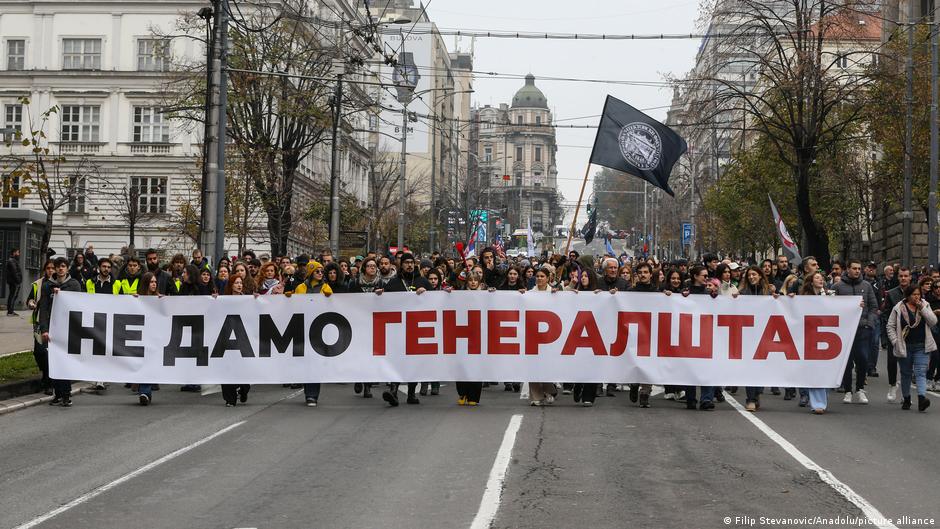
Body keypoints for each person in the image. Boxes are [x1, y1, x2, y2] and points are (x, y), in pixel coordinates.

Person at [377, 252, 431, 406]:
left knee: (414, 361)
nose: (409, 265)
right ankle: (393, 391)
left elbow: (436, 299)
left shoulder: (423, 282)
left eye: (411, 262)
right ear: (401, 265)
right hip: (398, 329)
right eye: (406, 262)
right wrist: (379, 295)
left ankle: (411, 394)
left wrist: (426, 294)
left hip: (418, 329)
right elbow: (384, 302)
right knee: (397, 360)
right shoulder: (394, 282)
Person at [38, 257, 82, 407]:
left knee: (65, 361)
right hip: (53, 328)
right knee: (54, 361)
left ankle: (66, 394)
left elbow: (78, 304)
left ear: (67, 268)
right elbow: (43, 309)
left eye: (63, 266)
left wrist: (62, 294)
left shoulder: (74, 284)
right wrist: (44, 329)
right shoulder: (47, 285)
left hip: (68, 328)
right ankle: (57, 393)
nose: (60, 269)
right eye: (58, 266)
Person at [833, 259, 878, 405]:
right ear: (847, 269)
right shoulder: (837, 287)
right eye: (854, 268)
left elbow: (873, 307)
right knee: (846, 361)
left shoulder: (866, 286)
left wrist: (869, 323)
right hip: (845, 330)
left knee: (863, 359)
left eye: (859, 268)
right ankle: (847, 390)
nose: (857, 271)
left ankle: (860, 389)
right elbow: (831, 307)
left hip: (862, 329)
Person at [886, 284, 935, 412]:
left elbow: (933, 321)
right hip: (905, 346)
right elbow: (890, 326)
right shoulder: (899, 307)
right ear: (908, 296)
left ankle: (922, 399)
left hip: (922, 346)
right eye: (914, 294)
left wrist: (922, 309)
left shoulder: (925, 305)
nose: (916, 297)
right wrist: (895, 341)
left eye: (918, 294)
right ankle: (906, 398)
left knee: (920, 372)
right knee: (906, 373)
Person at [738, 266, 775, 411]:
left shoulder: (768, 292)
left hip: (765, 335)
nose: (751, 277)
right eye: (749, 275)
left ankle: (757, 392)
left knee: (762, 368)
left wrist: (781, 298)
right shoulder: (743, 293)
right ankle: (751, 399)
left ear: (760, 276)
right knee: (750, 368)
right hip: (748, 335)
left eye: (754, 274)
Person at [797, 271, 832, 413]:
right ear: (811, 281)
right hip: (810, 336)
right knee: (814, 369)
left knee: (825, 369)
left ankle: (822, 398)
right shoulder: (804, 298)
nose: (820, 279)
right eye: (817, 277)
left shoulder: (829, 295)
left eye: (821, 278)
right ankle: (817, 403)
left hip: (827, 336)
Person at [528, 266, 559, 406]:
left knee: (546, 365)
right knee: (532, 365)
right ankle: (536, 396)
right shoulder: (529, 293)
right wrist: (520, 295)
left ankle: (549, 389)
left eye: (542, 276)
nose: (539, 279)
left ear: (548, 278)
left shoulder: (555, 292)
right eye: (538, 276)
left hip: (550, 335)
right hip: (532, 334)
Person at [220, 275, 252, 407]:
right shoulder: (223, 300)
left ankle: (243, 389)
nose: (239, 285)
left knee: (243, 367)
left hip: (243, 338)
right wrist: (214, 300)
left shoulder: (248, 300)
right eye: (236, 283)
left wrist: (256, 300)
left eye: (241, 283)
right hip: (226, 338)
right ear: (231, 285)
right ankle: (230, 399)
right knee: (227, 368)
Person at [456, 272, 487, 406]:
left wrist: (493, 294)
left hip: (479, 335)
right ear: (466, 282)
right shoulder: (459, 295)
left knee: (476, 366)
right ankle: (462, 393)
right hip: (462, 334)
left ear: (479, 282)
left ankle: (473, 396)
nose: (473, 282)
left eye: (476, 280)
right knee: (462, 365)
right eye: (470, 280)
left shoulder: (486, 295)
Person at [881, 267, 912, 403]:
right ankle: (892, 385)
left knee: (908, 363)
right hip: (894, 332)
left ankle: (906, 393)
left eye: (906, 276)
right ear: (897, 277)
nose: (903, 278)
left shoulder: (915, 292)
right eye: (901, 276)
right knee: (892, 361)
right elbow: (886, 313)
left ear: (910, 277)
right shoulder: (891, 293)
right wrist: (888, 332)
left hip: (911, 333)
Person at [134, 272, 163, 405]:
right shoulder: (138, 298)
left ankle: (145, 392)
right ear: (146, 283)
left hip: (155, 337)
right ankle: (145, 392)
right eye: (151, 282)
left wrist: (164, 301)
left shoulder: (159, 298)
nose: (154, 284)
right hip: (141, 336)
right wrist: (132, 300)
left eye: (155, 282)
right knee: (143, 363)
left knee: (150, 363)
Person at [28, 259, 55, 395]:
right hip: (40, 322)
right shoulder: (38, 284)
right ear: (45, 269)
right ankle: (45, 373)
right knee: (39, 352)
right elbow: (30, 299)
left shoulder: (60, 284)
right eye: (48, 268)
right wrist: (31, 303)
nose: (51, 270)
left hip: (55, 323)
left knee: (49, 353)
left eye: (53, 268)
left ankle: (48, 382)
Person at [5, 248, 21, 315]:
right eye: (18, 252)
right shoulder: (12, 261)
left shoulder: (13, 260)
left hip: (14, 281)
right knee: (12, 296)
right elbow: (15, 272)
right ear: (14, 253)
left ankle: (11, 311)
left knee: (13, 296)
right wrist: (18, 280)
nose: (19, 254)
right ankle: (10, 311)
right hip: (14, 282)